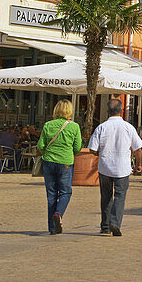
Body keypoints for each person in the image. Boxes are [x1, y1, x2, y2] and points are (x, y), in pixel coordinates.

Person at [88, 98, 142, 236]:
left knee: (106, 196)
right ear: (121, 111)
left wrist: (101, 153)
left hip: (105, 167)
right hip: (122, 168)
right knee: (120, 196)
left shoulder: (101, 127)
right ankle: (115, 223)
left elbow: (92, 149)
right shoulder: (128, 127)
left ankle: (105, 226)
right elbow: (138, 149)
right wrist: (138, 164)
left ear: (107, 111)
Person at [37, 99, 83, 235]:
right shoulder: (74, 127)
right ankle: (58, 214)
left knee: (51, 195)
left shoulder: (47, 125)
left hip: (49, 162)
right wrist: (69, 152)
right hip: (65, 163)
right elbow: (77, 147)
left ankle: (52, 228)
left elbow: (40, 146)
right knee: (65, 192)